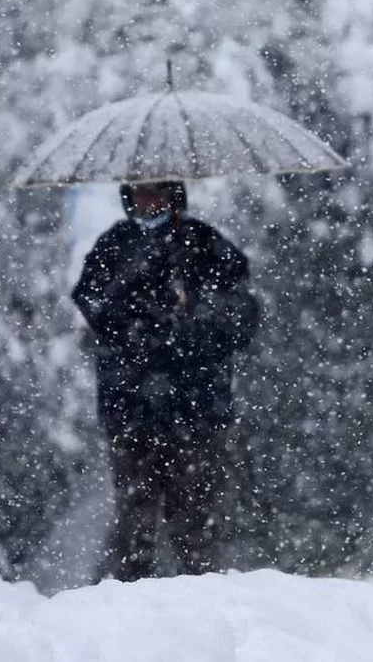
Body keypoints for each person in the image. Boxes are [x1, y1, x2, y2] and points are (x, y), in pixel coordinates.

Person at [72, 180, 259, 582]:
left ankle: (205, 610)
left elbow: (242, 318)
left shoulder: (207, 246)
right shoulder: (115, 248)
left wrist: (196, 317)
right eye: (139, 194)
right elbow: (93, 305)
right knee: (133, 526)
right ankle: (130, 613)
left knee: (195, 525)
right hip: (131, 410)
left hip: (195, 412)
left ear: (175, 195)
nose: (147, 203)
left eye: (156, 193)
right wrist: (139, 313)